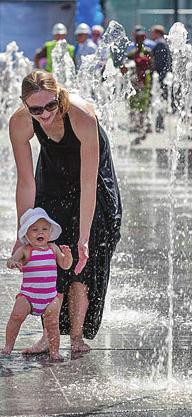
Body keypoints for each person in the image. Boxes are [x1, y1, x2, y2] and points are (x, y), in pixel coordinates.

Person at [9, 69, 122, 354]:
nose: (44, 114)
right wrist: (22, 233)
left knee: (84, 260)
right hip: (53, 176)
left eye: (50, 105)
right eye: (36, 109)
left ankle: (76, 337)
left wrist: (84, 237)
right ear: (25, 105)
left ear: (59, 96)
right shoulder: (21, 122)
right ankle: (50, 335)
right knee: (48, 253)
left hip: (92, 181)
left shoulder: (83, 116)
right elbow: (25, 182)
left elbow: (88, 183)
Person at [1, 207, 73, 361]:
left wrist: (68, 257)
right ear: (26, 234)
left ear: (50, 232)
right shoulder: (25, 250)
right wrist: (13, 262)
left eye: (44, 229)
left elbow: (65, 265)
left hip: (50, 297)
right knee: (16, 317)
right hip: (28, 296)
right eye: (34, 230)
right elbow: (11, 260)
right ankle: (8, 346)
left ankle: (54, 352)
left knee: (53, 325)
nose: (40, 232)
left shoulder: (53, 248)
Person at [150, 24, 172, 132]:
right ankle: (159, 124)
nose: (151, 35)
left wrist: (158, 76)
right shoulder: (163, 43)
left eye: (153, 32)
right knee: (161, 100)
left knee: (159, 100)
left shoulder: (160, 44)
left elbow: (160, 63)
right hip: (163, 76)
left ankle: (159, 124)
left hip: (160, 77)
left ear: (158, 33)